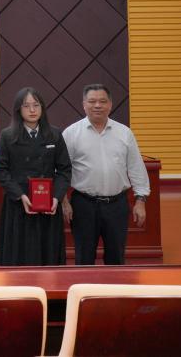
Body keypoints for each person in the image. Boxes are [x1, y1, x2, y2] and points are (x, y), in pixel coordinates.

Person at [62, 84, 150, 265]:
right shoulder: (71, 133)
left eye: (102, 101)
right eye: (92, 101)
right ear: (84, 104)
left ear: (110, 104)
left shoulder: (124, 133)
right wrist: (64, 201)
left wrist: (140, 200)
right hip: (83, 205)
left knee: (116, 258)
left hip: (117, 205)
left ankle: (114, 285)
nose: (97, 105)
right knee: (84, 258)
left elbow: (136, 168)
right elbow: (61, 171)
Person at [0, 87, 71, 266]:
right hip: (19, 204)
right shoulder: (8, 136)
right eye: (26, 106)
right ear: (18, 109)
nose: (32, 110)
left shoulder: (54, 134)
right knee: (20, 255)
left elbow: (64, 170)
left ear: (42, 108)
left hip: (49, 205)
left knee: (48, 255)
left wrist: (57, 197)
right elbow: (1, 170)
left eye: (36, 105)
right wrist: (20, 195)